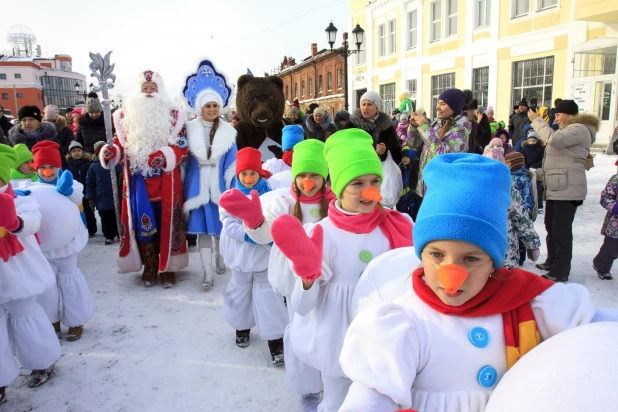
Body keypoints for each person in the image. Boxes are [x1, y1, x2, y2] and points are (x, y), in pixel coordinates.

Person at [337, 152, 618, 412]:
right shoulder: (404, 323)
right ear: (420, 254)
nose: (451, 272)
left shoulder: (530, 300)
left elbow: (597, 331)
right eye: (436, 255)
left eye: (471, 259)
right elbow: (371, 397)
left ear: (494, 262)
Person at [270, 129, 413, 412]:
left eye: (374, 181)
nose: (369, 191)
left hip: (381, 339)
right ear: (338, 185)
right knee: (337, 403)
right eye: (357, 183)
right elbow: (301, 305)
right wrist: (308, 277)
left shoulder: (396, 227)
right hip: (336, 341)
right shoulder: (321, 233)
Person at [220, 139, 335, 408]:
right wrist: (254, 221)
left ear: (324, 176)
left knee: (328, 333)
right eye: (303, 175)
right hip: (296, 283)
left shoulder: (336, 203)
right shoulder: (280, 200)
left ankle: (332, 386)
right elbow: (265, 233)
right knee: (301, 332)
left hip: (329, 281)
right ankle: (308, 391)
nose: (308, 182)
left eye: (315, 175)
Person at [100, 70, 189, 288]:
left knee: (168, 224)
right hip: (138, 184)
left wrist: (166, 156)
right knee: (142, 226)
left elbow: (183, 147)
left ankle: (168, 268)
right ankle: (149, 266)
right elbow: (120, 147)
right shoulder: (124, 119)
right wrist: (111, 153)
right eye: (145, 88)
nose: (149, 93)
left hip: (167, 183)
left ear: (161, 92)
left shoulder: (175, 117)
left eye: (153, 89)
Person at [0, 144, 63, 401]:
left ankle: (42, 361)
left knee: (25, 314)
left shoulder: (21, 197)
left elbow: (33, 222)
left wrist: (14, 222)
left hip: (18, 273)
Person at [218, 147, 288, 364]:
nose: (249, 179)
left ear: (260, 174)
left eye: (253, 174)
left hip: (263, 254)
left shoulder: (270, 194)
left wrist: (267, 235)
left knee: (268, 295)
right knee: (240, 292)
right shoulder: (231, 197)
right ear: (238, 176)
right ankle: (242, 326)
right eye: (244, 175)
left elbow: (276, 218)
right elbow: (229, 224)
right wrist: (250, 235)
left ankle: (275, 338)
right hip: (240, 254)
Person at [528, 99, 599, 282]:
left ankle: (560, 270)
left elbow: (553, 140)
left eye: (558, 115)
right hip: (558, 187)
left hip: (567, 189)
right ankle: (552, 261)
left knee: (561, 231)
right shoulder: (569, 130)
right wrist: (539, 173)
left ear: (570, 114)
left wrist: (537, 120)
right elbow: (562, 160)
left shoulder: (579, 129)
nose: (556, 119)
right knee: (551, 227)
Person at [30, 141, 94, 342]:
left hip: (66, 242)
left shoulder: (70, 182)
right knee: (47, 285)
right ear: (36, 168)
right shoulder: (31, 187)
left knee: (69, 280)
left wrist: (68, 192)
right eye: (42, 168)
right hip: (43, 244)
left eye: (52, 168)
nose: (47, 172)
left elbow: (77, 197)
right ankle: (51, 321)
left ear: (59, 167)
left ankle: (76, 321)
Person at [182, 60, 237, 289]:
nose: (212, 110)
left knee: (219, 229)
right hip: (197, 187)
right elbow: (183, 157)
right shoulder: (189, 128)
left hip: (220, 188)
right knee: (204, 231)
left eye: (215, 106)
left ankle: (220, 257)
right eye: (208, 106)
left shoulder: (227, 131)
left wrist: (230, 183)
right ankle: (207, 273)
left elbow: (232, 161)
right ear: (200, 108)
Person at [408, 88, 470, 199]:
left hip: (441, 191)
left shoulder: (460, 131)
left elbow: (442, 154)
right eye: (438, 103)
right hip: (423, 188)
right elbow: (414, 145)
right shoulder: (437, 124)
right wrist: (414, 127)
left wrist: (424, 126)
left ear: (454, 107)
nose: (438, 107)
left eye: (443, 104)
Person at [504, 152, 540, 268]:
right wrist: (533, 244)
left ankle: (522, 257)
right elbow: (521, 219)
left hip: (481, 256)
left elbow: (526, 200)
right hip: (506, 253)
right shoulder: (507, 188)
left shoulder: (521, 180)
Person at [347, 91, 402, 164]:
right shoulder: (352, 125)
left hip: (380, 170)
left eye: (369, 104)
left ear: (377, 107)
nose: (365, 108)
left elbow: (397, 155)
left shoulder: (387, 126)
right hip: (358, 168)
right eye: (363, 104)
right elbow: (347, 150)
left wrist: (384, 151)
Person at [87, 141, 122, 245]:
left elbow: (122, 178)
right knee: (106, 218)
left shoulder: (116, 165)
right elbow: (90, 182)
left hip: (116, 196)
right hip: (101, 197)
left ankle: (119, 232)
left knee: (117, 216)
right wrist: (90, 197)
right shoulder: (94, 167)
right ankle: (108, 235)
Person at [593, 160, 618, 280]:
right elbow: (605, 197)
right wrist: (614, 206)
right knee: (612, 248)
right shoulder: (616, 179)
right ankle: (601, 266)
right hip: (616, 224)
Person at [66, 141, 97, 237]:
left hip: (86, 191)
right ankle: (80, 229)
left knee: (88, 211)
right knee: (77, 212)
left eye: (79, 150)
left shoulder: (88, 164)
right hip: (74, 192)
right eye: (74, 151)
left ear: (83, 152)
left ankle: (91, 229)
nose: (77, 153)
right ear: (70, 154)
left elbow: (91, 178)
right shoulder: (68, 165)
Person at [520, 132, 545, 211]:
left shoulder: (541, 148)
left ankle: (539, 206)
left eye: (533, 141)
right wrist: (526, 166)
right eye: (530, 141)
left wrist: (534, 166)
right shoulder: (525, 148)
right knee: (528, 187)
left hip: (537, 170)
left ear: (537, 141)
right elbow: (522, 158)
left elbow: (543, 159)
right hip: (527, 170)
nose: (531, 142)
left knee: (538, 188)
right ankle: (528, 204)